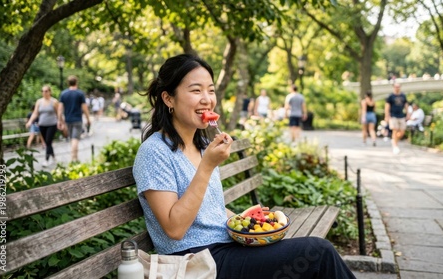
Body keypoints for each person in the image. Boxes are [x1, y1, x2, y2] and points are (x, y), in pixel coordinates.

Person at [132, 54, 355, 279]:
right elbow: (174, 229)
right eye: (196, 90)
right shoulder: (154, 152)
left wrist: (252, 221)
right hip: (195, 261)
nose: (207, 99)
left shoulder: (202, 147)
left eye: (210, 90)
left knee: (311, 255)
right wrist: (207, 167)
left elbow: (211, 209)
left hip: (226, 246)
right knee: (319, 253)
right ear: (168, 99)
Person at [57, 75, 91, 163]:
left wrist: (60, 120)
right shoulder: (80, 93)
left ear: (68, 83)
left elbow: (60, 109)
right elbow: (84, 108)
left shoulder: (63, 94)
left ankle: (74, 158)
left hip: (68, 120)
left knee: (72, 138)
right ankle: (74, 158)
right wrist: (88, 118)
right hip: (77, 119)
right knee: (75, 139)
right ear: (76, 82)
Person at [26, 86, 59, 167]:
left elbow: (58, 113)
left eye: (46, 91)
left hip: (52, 124)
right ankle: (54, 157)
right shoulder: (39, 102)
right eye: (43, 91)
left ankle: (46, 160)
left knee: (48, 141)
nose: (44, 92)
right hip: (42, 125)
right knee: (48, 143)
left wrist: (60, 122)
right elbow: (35, 113)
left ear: (50, 92)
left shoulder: (54, 101)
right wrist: (30, 121)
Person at [384, 83, 409, 154]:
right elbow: (387, 106)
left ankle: (394, 140)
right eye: (396, 87)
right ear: (393, 87)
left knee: (402, 132)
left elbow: (406, 105)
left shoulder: (403, 95)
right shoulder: (390, 96)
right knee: (395, 130)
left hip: (401, 115)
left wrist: (408, 114)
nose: (397, 88)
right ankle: (395, 146)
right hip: (393, 115)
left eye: (398, 87)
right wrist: (387, 116)